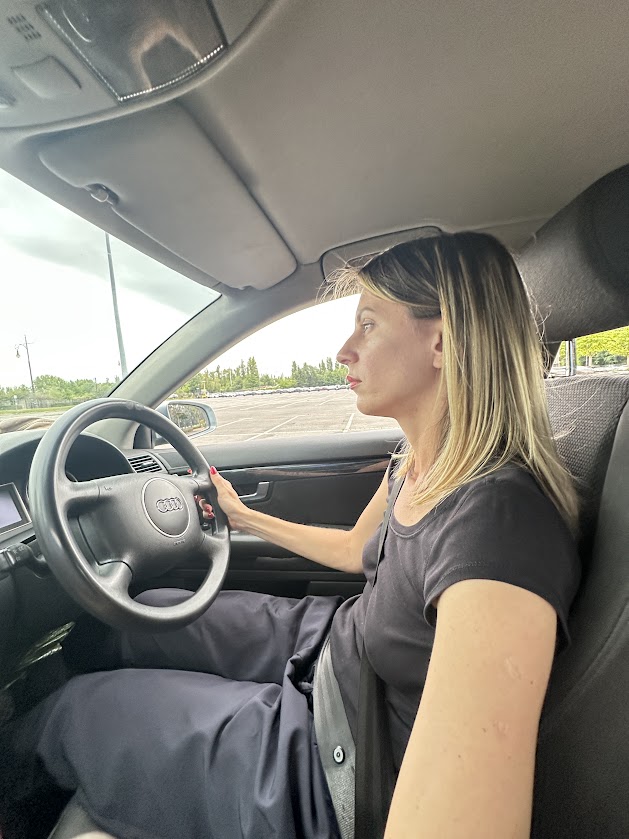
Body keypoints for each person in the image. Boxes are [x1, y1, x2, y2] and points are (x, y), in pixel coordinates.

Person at [4, 231, 580, 839]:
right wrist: (242, 515)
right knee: (143, 614)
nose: (343, 350)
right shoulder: (421, 459)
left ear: (442, 341)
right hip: (335, 652)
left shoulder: (498, 529)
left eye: (368, 325)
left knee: (81, 713)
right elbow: (356, 551)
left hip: (337, 768)